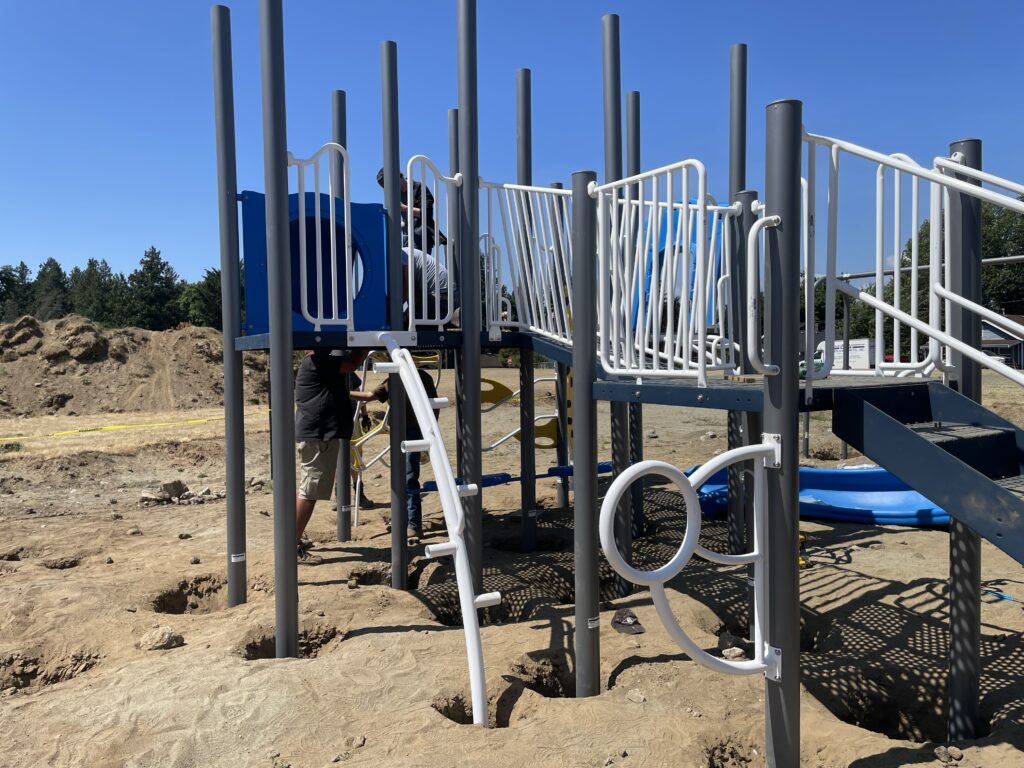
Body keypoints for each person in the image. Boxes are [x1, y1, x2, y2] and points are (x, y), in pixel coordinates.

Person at [294, 348, 368, 564]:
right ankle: (291, 546)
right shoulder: (317, 360)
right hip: (319, 437)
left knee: (309, 490)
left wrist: (370, 396)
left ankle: (293, 540)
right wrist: (365, 342)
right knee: (309, 491)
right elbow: (351, 364)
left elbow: (343, 388)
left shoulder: (318, 362)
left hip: (319, 436)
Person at [349, 364, 439, 543]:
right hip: (400, 432)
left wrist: (429, 432)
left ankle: (413, 524)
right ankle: (403, 520)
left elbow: (434, 406)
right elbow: (369, 396)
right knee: (400, 477)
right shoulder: (393, 379)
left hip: (413, 432)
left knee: (409, 477)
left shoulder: (420, 377)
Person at [377, 168, 459, 323]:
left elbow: (426, 214)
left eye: (389, 185)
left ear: (398, 176)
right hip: (408, 233)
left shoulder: (419, 188)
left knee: (412, 261)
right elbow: (405, 222)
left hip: (422, 231)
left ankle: (414, 309)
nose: (389, 189)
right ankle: (413, 308)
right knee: (407, 266)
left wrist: (403, 208)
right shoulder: (397, 195)